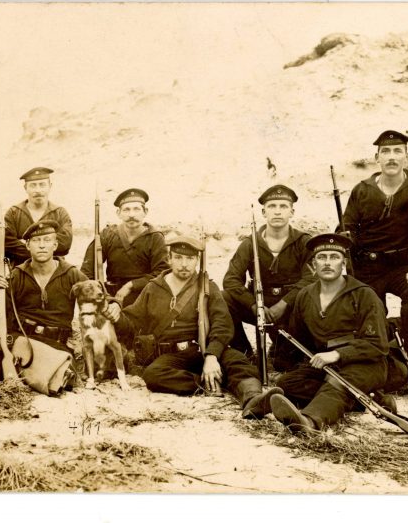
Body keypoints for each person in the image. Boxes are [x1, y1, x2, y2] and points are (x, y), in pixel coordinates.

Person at [107, 235, 281, 419]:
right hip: (171, 355)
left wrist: (212, 356)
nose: (184, 264)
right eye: (179, 258)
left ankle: (253, 400)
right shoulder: (153, 288)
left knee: (238, 362)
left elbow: (222, 324)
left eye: (190, 259)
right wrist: (116, 310)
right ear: (169, 259)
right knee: (153, 375)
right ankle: (209, 382)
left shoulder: (208, 287)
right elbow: (132, 321)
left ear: (197, 261)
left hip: (204, 348)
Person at [269, 233, 391, 435]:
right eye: (322, 257)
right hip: (325, 364)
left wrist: (338, 355)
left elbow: (378, 345)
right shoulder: (305, 295)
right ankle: (368, 400)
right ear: (313, 264)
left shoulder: (364, 294)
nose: (327, 263)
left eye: (334, 257)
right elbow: (299, 340)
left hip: (366, 364)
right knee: (287, 383)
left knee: (337, 383)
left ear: (343, 262)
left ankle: (310, 422)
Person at [0, 220, 87, 393]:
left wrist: (114, 304)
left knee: (52, 373)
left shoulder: (71, 274)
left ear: (55, 245)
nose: (42, 246)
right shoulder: (17, 275)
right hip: (22, 339)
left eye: (47, 240)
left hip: (55, 344)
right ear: (27, 245)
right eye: (36, 241)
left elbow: (97, 294)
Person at [342, 130, 408, 359]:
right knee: (371, 326)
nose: (391, 157)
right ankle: (388, 332)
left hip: (402, 265)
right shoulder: (362, 189)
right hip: (367, 267)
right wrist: (345, 243)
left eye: (397, 151)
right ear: (377, 158)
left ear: (406, 157)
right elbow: (347, 227)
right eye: (386, 152)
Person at [221, 185, 314, 364]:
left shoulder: (303, 242)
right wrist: (253, 305)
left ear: (292, 212)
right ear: (264, 212)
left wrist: (284, 304)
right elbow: (231, 280)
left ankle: (282, 348)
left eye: (283, 206)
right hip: (259, 304)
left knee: (284, 363)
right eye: (272, 206)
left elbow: (310, 279)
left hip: (291, 308)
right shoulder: (250, 243)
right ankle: (244, 351)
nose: (277, 212)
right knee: (223, 299)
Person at [80, 188, 168, 307]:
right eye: (126, 210)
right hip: (111, 296)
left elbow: (162, 273)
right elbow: (87, 270)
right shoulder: (108, 235)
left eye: (136, 209)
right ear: (118, 213)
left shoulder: (155, 238)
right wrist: (96, 293)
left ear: (145, 211)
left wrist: (131, 285)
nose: (131, 215)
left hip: (144, 297)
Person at [4, 167, 73, 266]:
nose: (38, 190)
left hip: (54, 274)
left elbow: (65, 245)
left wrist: (27, 245)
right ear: (25, 188)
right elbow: (8, 245)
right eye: (33, 185)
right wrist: (47, 249)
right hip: (20, 273)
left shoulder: (60, 213)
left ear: (50, 186)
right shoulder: (13, 213)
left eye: (42, 185)